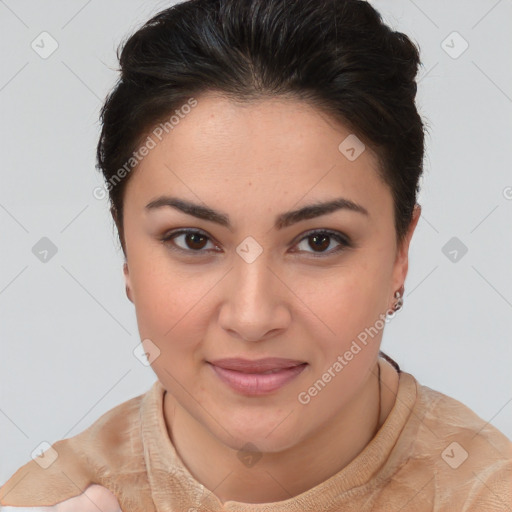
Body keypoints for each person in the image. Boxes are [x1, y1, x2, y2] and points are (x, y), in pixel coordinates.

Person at [1, 0, 511, 510]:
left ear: (401, 252)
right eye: (194, 240)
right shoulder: (44, 498)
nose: (252, 317)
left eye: (319, 241)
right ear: (127, 253)